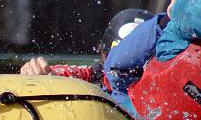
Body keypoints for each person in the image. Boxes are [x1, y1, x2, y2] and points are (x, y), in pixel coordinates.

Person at [20, 8, 155, 92]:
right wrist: (35, 76)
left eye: (139, 65)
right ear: (102, 55)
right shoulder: (87, 78)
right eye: (117, 59)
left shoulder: (163, 94)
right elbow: (51, 73)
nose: (128, 71)